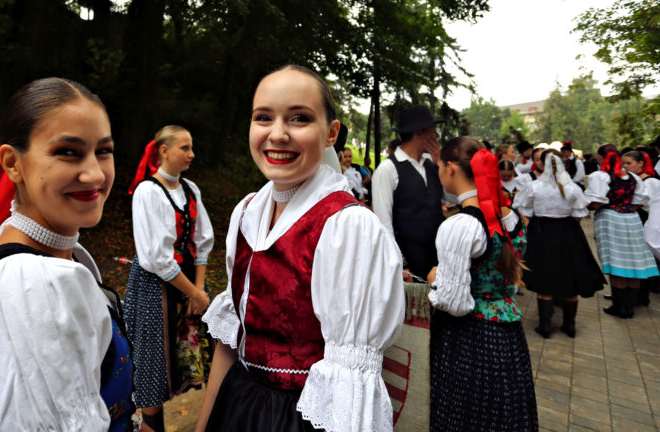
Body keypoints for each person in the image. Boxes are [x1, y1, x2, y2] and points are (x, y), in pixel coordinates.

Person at [196, 65, 405, 432]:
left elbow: (351, 388)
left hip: (301, 419)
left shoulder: (349, 227)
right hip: (238, 406)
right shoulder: (246, 213)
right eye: (264, 117)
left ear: (331, 133)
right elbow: (231, 341)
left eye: (299, 118)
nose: (277, 134)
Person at [0, 78, 134, 431]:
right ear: (13, 163)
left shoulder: (50, 258)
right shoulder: (33, 286)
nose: (94, 174)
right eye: (67, 152)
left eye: (103, 151)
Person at [427, 136, 536, 432]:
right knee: (503, 413)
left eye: (438, 166)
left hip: (470, 337)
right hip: (508, 332)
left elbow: (454, 302)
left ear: (450, 167)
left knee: (465, 414)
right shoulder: (507, 215)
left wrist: (434, 278)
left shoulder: (460, 225)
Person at [125, 126, 214, 432]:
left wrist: (199, 291)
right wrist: (194, 291)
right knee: (155, 359)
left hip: (189, 283)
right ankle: (150, 424)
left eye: (191, 148)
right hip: (155, 287)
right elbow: (156, 258)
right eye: (184, 148)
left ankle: (187, 418)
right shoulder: (148, 192)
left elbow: (202, 241)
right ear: (163, 151)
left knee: (193, 353)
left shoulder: (190, 189)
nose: (191, 154)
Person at [514, 150, 606, 338]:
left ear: (543, 164)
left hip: (542, 232)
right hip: (568, 232)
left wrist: (533, 224)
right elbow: (579, 214)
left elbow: (523, 209)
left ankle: (545, 326)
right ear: (562, 164)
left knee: (544, 277)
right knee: (570, 277)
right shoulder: (572, 187)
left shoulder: (534, 186)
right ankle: (569, 325)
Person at [585, 144, 659, 318]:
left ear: (602, 158)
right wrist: (626, 206)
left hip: (610, 219)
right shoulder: (633, 177)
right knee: (632, 262)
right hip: (632, 219)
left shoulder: (602, 176)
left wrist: (586, 206)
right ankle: (629, 308)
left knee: (617, 262)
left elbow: (596, 202)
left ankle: (619, 307)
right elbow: (642, 200)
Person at [372, 104, 444, 279]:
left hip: (438, 258)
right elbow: (384, 224)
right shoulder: (388, 169)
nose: (437, 136)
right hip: (411, 263)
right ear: (419, 133)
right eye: (433, 131)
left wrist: (441, 164)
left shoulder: (431, 164)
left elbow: (451, 197)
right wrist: (401, 264)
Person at [621, 150, 660, 303]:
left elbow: (647, 206)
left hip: (647, 223)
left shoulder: (650, 182)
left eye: (629, 163)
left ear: (641, 164)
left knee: (645, 260)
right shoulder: (634, 180)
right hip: (638, 222)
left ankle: (642, 296)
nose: (625, 166)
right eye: (623, 163)